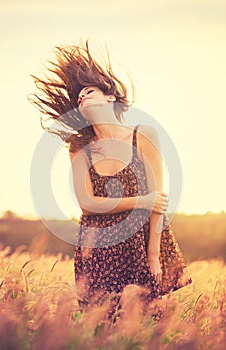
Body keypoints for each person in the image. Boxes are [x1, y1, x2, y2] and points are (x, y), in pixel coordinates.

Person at [30, 40, 192, 320]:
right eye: (78, 97)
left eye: (89, 91)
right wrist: (142, 200)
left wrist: (153, 255)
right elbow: (88, 204)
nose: (82, 98)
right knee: (102, 325)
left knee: (145, 324)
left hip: (139, 245)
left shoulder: (143, 135)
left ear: (110, 97)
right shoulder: (79, 147)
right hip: (98, 248)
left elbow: (159, 201)